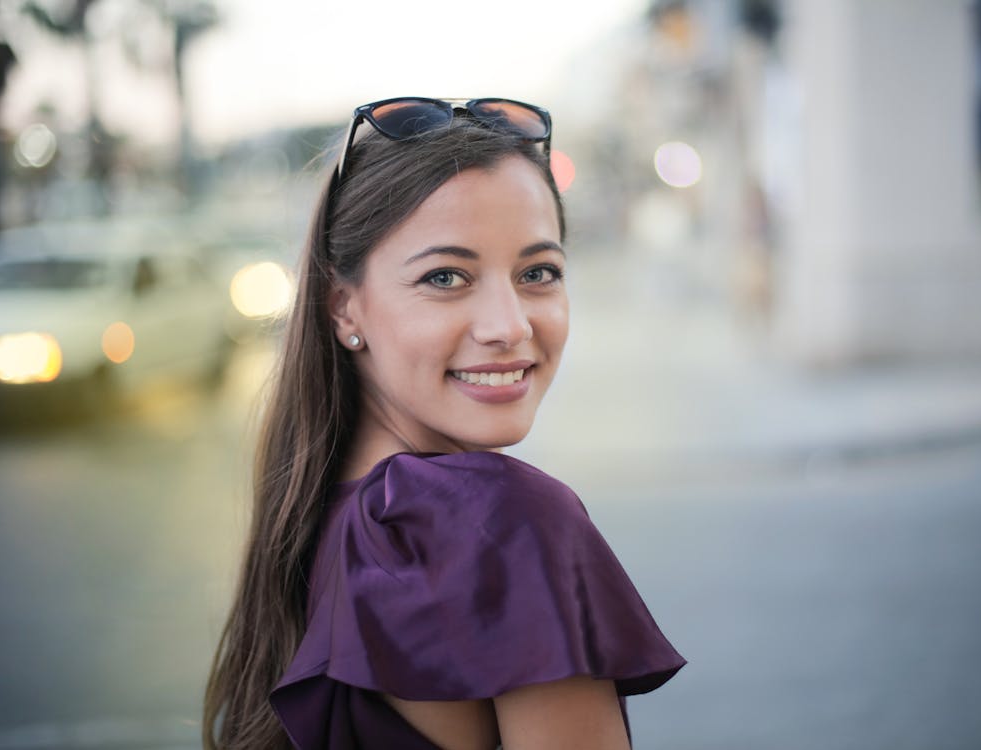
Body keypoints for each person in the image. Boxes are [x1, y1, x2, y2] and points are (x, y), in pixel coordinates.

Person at [203, 97, 685, 749]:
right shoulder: (505, 520)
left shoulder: (319, 513)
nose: (509, 325)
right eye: (446, 277)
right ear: (344, 308)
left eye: (537, 272)